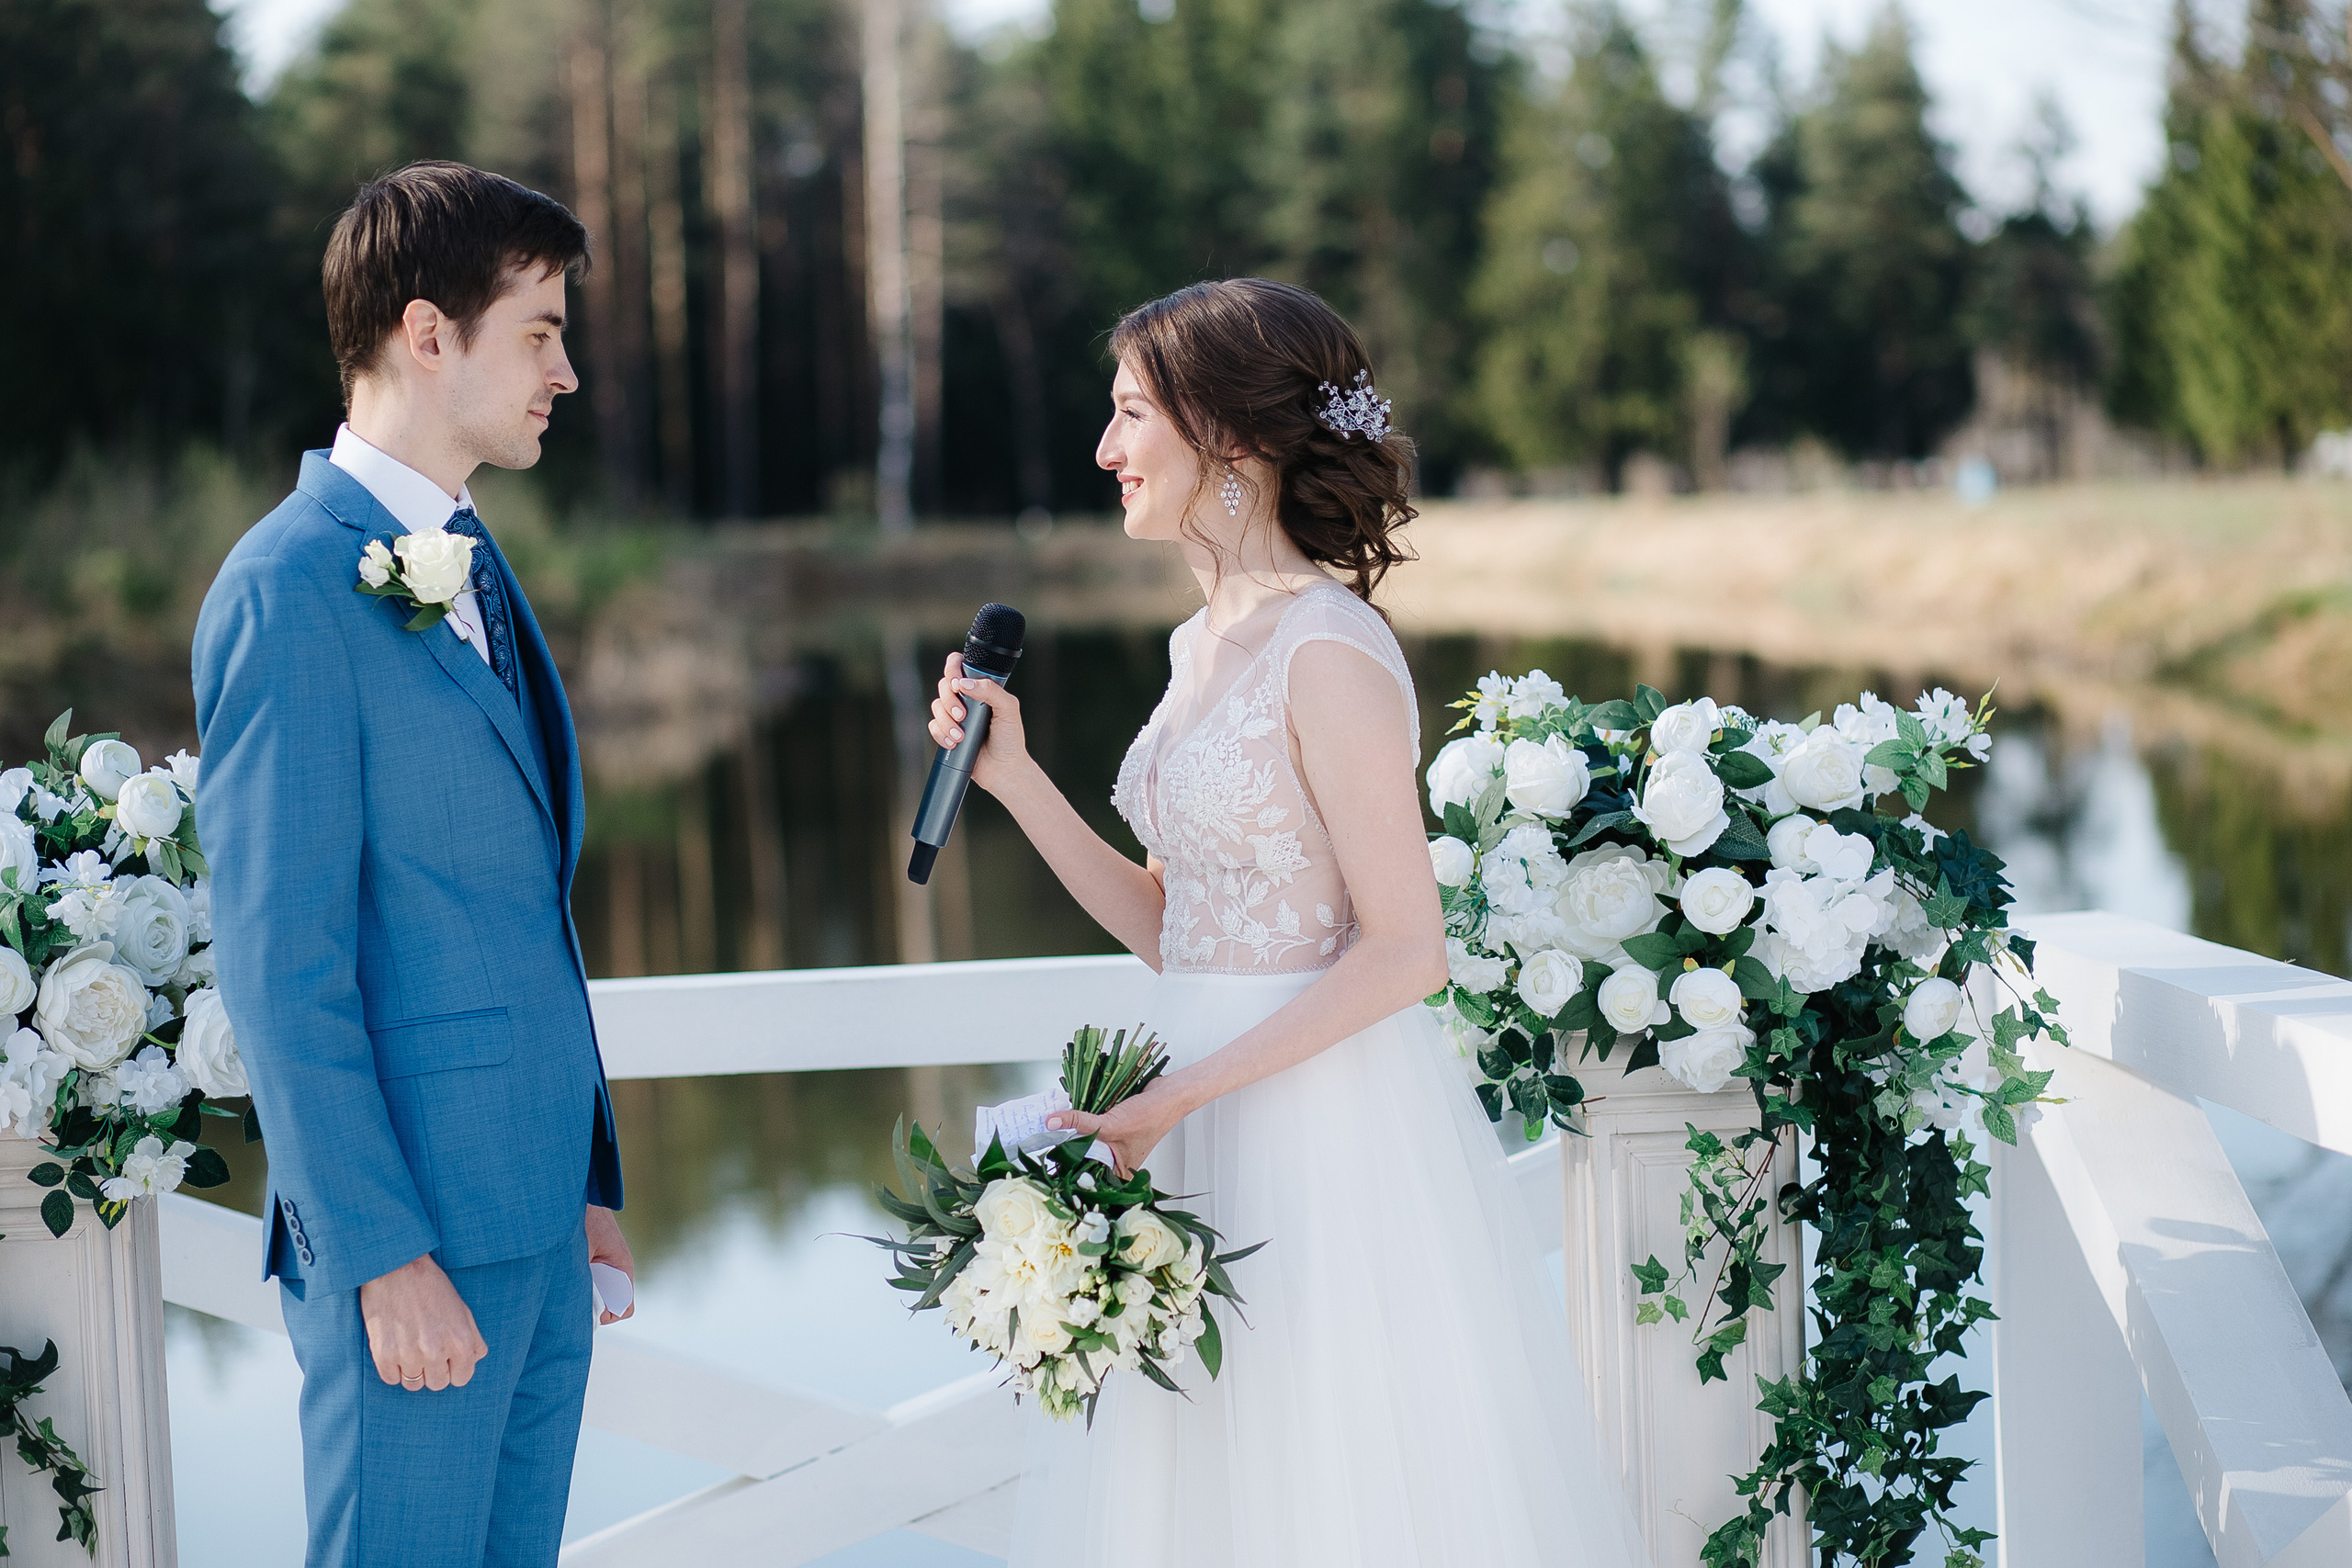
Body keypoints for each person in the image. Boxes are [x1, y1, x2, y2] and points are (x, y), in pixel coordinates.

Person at [927, 277, 1654, 1567]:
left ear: (1237, 444)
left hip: (1314, 1131)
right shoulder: (1196, 646)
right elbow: (1171, 929)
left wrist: (1183, 1094)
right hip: (1188, 1118)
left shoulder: (1328, 648)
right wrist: (1015, 779)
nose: (1106, 451)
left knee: (1333, 1487)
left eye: (1132, 414)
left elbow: (1405, 948)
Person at [191, 161, 632, 1568]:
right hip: (415, 1250)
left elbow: (514, 909)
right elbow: (282, 966)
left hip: (534, 1227)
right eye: (542, 332)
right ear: (428, 333)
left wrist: (590, 1183)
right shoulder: (286, 588)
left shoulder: (474, 559)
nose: (565, 371)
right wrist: (381, 1255)